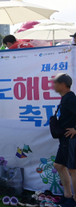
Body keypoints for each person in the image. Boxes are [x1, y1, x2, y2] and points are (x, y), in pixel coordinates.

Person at [51, 73, 76, 207]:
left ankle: (74, 200)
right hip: (64, 139)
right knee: (58, 165)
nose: (53, 85)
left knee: (73, 170)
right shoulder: (65, 98)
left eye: (55, 83)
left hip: (71, 139)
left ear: (62, 84)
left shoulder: (71, 99)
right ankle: (67, 195)